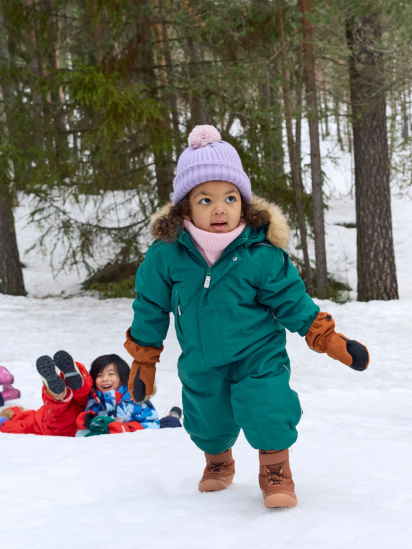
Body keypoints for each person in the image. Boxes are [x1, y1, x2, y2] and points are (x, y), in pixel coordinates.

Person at [124, 124, 370, 509]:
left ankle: (276, 472)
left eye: (230, 197)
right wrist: (144, 359)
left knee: (269, 405)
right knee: (206, 418)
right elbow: (150, 306)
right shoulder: (166, 255)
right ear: (185, 206)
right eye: (205, 200)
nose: (219, 208)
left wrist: (326, 337)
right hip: (202, 357)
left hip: (259, 354)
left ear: (244, 202)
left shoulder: (261, 254)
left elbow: (292, 301)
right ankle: (217, 462)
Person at [0, 351, 181, 436]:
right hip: (54, 418)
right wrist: (86, 420)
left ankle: (64, 387)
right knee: (80, 394)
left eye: (111, 374)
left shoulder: (135, 401)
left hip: (56, 419)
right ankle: (68, 384)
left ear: (123, 379)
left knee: (68, 404)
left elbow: (152, 425)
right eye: (100, 375)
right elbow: (86, 416)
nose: (104, 379)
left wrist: (119, 427)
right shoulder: (96, 398)